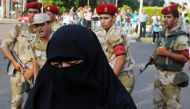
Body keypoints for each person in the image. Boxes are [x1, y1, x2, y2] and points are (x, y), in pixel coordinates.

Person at [23, 25, 137, 109]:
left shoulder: (119, 104)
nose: (63, 71)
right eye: (56, 65)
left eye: (72, 64)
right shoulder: (40, 96)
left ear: (92, 60)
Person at [0, 2, 42, 109]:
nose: (32, 15)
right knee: (17, 101)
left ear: (39, 13)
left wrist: (32, 71)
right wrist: (14, 63)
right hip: (18, 70)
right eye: (30, 12)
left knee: (37, 100)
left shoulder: (43, 29)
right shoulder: (19, 28)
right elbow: (4, 45)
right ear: (26, 13)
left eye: (35, 12)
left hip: (36, 71)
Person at [151, 5, 189, 109]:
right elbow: (158, 50)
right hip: (159, 75)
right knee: (158, 105)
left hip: (172, 77)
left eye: (169, 17)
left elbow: (185, 57)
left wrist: (166, 53)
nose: (165, 19)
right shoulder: (163, 34)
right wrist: (153, 57)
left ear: (176, 19)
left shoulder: (181, 36)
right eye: (164, 17)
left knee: (173, 106)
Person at [95, 4, 135, 94]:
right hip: (111, 75)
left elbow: (121, 59)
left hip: (121, 77)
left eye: (106, 18)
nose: (102, 21)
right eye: (100, 18)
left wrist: (110, 81)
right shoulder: (101, 31)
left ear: (114, 18)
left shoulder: (115, 33)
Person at [30, 13, 53, 79]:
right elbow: (35, 62)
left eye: (42, 24)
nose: (39, 28)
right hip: (43, 79)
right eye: (37, 25)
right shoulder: (33, 42)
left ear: (49, 24)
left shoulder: (57, 39)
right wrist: (36, 82)